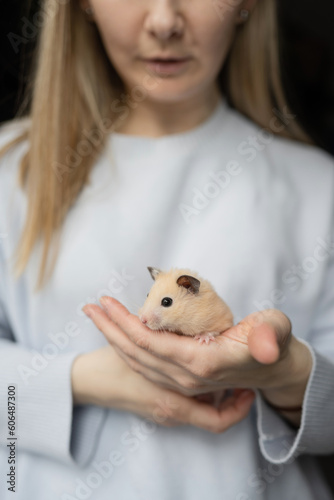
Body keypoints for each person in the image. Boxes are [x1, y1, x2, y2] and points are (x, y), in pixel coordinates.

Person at [0, 0, 334, 498]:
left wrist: (288, 375)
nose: (163, 21)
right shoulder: (11, 168)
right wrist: (89, 380)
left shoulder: (317, 186)